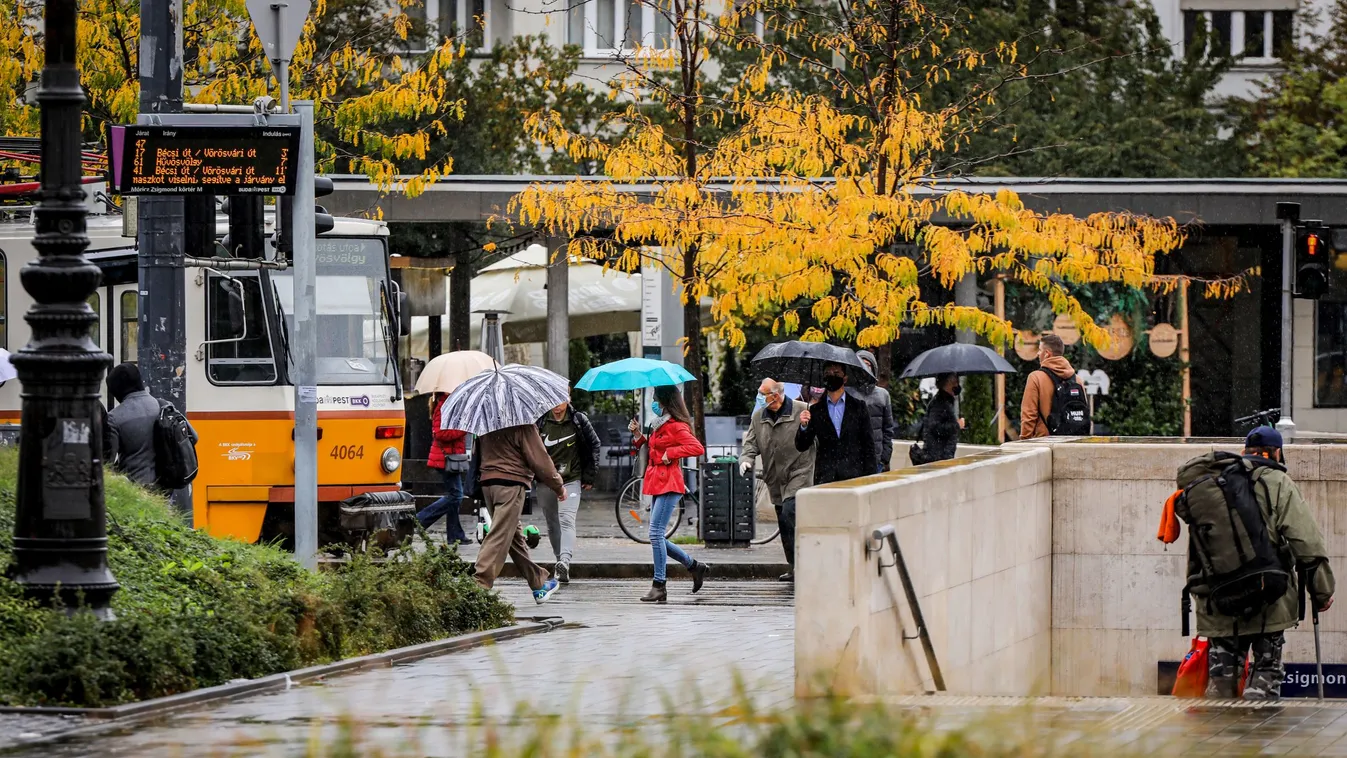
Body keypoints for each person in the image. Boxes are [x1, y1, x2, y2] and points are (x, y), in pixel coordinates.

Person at [1170, 427, 1335, 700]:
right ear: (1276, 453)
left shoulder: (1213, 484)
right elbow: (1305, 541)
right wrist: (1322, 592)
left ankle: (1220, 736)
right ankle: (1256, 734)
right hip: (1269, 598)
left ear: (1245, 451)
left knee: (1222, 679)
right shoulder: (1278, 482)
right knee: (1265, 674)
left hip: (1219, 597)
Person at [628, 385, 711, 603]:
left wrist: (671, 453)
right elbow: (652, 449)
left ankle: (659, 585)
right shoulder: (659, 424)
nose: (653, 403)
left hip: (669, 482)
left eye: (656, 399)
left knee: (655, 534)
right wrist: (637, 434)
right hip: (657, 481)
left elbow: (697, 448)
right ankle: (694, 566)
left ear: (665, 401)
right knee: (657, 536)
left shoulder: (676, 426)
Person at [471, 422, 565, 604]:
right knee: (499, 535)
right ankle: (478, 586)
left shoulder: (487, 421)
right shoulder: (522, 424)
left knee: (512, 536)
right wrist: (558, 486)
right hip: (511, 483)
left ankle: (538, 582)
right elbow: (539, 459)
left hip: (488, 484)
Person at [740, 378, 814, 582]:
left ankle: (804, 563)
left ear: (776, 395)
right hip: (775, 477)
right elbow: (750, 444)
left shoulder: (801, 410)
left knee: (791, 512)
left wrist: (807, 426)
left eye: (763, 394)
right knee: (784, 522)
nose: (759, 397)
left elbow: (815, 439)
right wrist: (745, 460)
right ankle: (793, 566)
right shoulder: (758, 417)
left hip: (799, 472)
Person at [535, 398, 601, 583]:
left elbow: (594, 444)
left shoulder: (578, 420)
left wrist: (589, 475)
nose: (556, 406)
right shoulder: (540, 421)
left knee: (566, 519)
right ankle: (559, 563)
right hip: (546, 480)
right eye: (552, 401)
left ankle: (565, 561)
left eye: (560, 401)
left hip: (571, 480)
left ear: (568, 399)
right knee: (552, 523)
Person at [106, 362, 196, 490]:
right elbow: (194, 437)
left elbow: (107, 463)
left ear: (116, 391)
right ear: (140, 381)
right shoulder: (164, 406)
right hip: (165, 488)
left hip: (134, 490)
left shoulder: (114, 418)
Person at [795, 362, 876, 484]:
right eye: (827, 373)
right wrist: (803, 426)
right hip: (825, 477)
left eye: (836, 373)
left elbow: (868, 444)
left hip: (854, 476)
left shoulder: (858, 407)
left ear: (845, 378)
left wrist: (871, 478)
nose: (831, 375)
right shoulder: (816, 411)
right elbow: (802, 445)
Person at [416, 392, 470, 544]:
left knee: (455, 496)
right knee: (456, 496)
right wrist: (461, 429)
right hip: (445, 459)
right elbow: (440, 433)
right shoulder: (444, 406)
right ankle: (420, 520)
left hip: (452, 458)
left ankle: (455, 535)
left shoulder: (450, 405)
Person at [1019, 333, 1087, 439]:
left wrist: (1024, 442)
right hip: (1072, 442)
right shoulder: (1077, 380)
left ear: (1047, 354)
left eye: (1040, 350)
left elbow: (1029, 415)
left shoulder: (1036, 378)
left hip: (1044, 444)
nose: (1038, 353)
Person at [848, 350, 896, 472]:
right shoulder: (847, 392)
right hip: (852, 459)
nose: (864, 368)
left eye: (867, 364)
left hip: (876, 459)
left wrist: (885, 456)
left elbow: (888, 428)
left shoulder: (883, 395)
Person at [909, 373, 964, 465]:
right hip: (938, 457)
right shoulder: (940, 403)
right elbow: (935, 427)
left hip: (942, 455)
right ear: (948, 383)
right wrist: (956, 425)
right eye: (955, 382)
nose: (957, 385)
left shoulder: (946, 401)